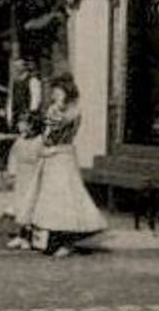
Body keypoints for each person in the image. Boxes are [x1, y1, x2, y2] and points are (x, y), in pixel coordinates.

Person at [13, 73, 105, 257]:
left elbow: (58, 128)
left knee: (64, 199)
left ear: (67, 92)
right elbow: (47, 135)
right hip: (50, 155)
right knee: (43, 198)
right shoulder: (54, 109)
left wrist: (55, 114)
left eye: (58, 91)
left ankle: (66, 241)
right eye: (54, 91)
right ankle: (37, 236)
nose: (55, 94)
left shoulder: (73, 111)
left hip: (63, 156)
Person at [1, 111, 46, 249]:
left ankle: (30, 237)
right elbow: (13, 156)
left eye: (22, 122)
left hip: (34, 177)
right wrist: (12, 173)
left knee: (31, 206)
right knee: (19, 206)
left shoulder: (40, 141)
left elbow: (43, 160)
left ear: (31, 125)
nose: (19, 125)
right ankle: (20, 235)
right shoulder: (20, 141)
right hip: (22, 176)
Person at [5, 57, 43, 130]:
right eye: (14, 66)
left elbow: (35, 101)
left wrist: (29, 116)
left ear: (24, 67)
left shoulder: (33, 80)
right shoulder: (14, 83)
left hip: (28, 118)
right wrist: (10, 117)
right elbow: (11, 100)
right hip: (17, 118)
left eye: (18, 66)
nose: (15, 69)